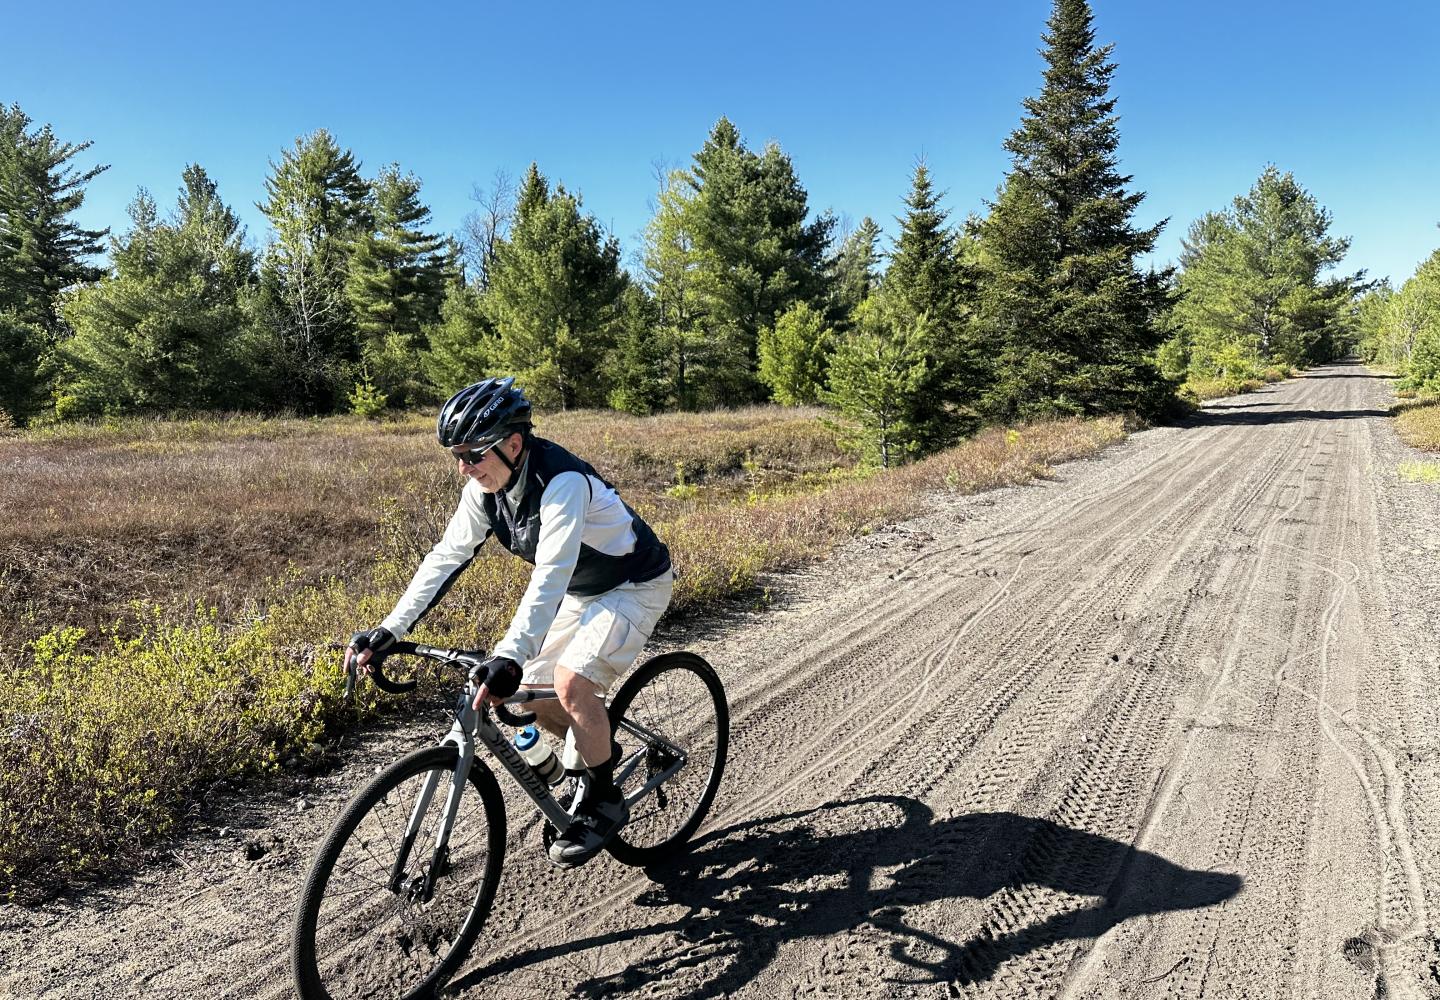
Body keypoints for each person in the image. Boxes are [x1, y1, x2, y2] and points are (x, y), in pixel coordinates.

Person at [346, 377, 674, 868]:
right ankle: (594, 746)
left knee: (570, 683)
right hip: (582, 591)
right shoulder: (485, 489)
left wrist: (509, 654)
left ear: (513, 444)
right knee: (529, 692)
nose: (464, 467)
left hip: (634, 585)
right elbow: (445, 558)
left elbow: (550, 575)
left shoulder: (561, 484)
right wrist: (391, 628)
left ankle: (604, 797)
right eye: (457, 455)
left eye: (473, 455)